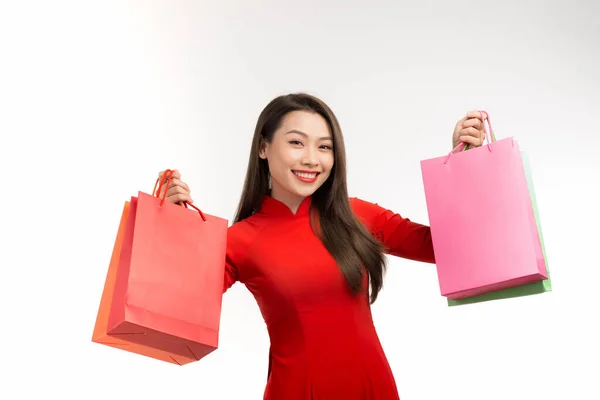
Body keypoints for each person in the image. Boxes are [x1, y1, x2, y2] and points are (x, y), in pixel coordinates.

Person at [157, 93, 487, 399]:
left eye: (324, 147)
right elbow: (172, 306)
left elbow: (447, 247)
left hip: (373, 388)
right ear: (263, 148)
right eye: (297, 143)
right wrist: (172, 229)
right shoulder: (238, 240)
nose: (312, 159)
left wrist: (463, 165)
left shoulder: (356, 214)